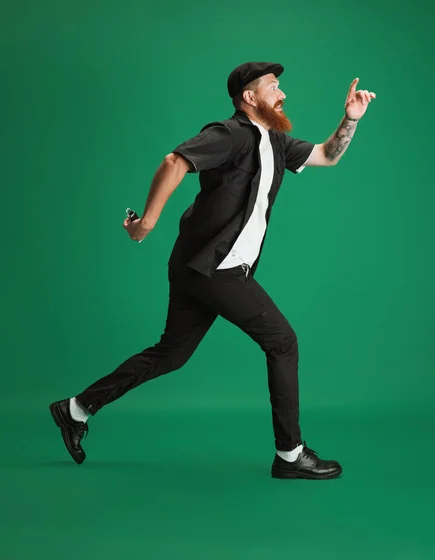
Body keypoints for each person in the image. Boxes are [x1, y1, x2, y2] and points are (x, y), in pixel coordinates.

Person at [50, 62, 376, 479]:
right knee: (283, 342)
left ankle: (75, 409)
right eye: (274, 86)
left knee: (171, 353)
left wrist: (350, 119)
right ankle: (290, 455)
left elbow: (327, 156)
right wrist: (148, 222)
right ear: (250, 97)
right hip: (216, 269)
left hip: (197, 266)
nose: (283, 93)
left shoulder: (274, 141)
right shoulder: (230, 134)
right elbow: (174, 161)